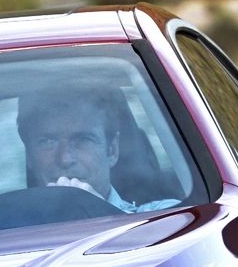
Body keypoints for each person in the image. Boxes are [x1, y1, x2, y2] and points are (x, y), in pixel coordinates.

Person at [15, 86, 181, 214]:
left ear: (112, 150)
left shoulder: (164, 216)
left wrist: (100, 212)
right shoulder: (4, 231)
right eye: (48, 142)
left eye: (83, 140)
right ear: (29, 155)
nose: (65, 158)